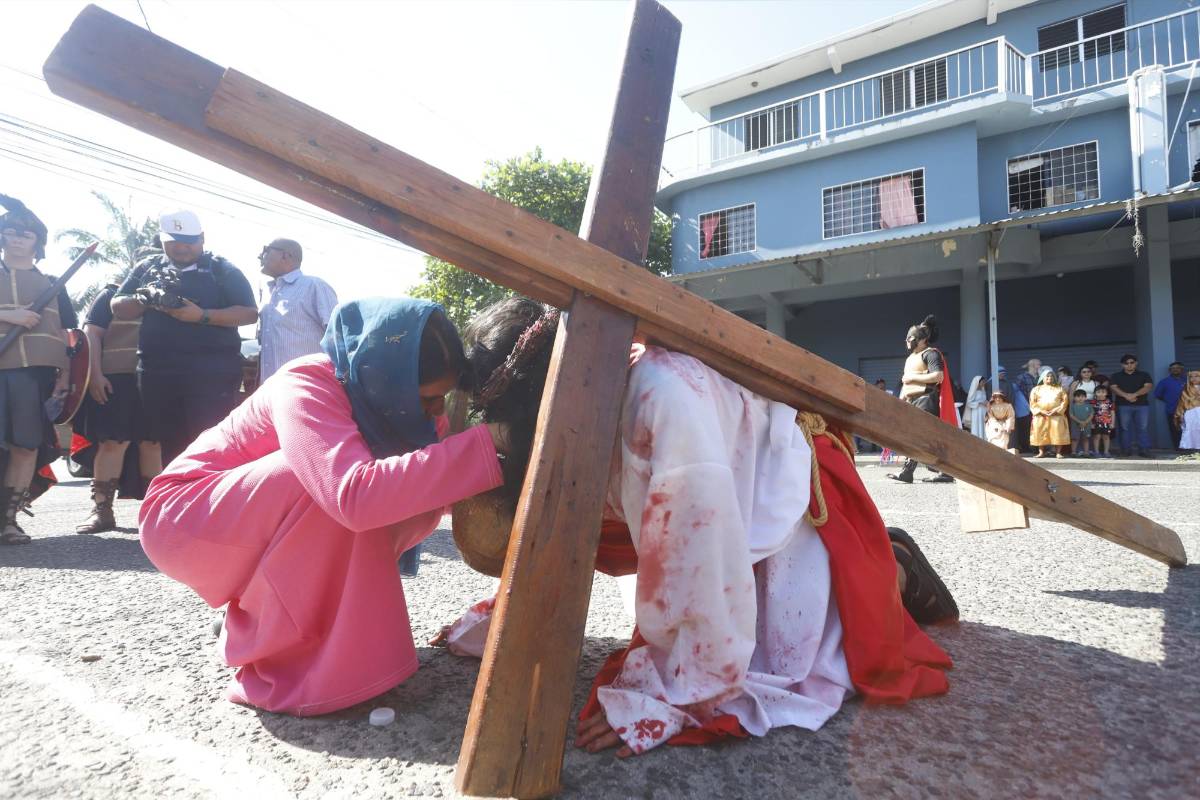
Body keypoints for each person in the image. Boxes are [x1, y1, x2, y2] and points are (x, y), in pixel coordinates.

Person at [443, 297, 954, 757]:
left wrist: (668, 694)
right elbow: (562, 523)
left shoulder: (661, 397)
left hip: (775, 488)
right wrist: (515, 620)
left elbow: (696, 558)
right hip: (718, 495)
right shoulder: (593, 387)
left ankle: (895, 570)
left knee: (795, 653)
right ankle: (873, 567)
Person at [138, 298, 509, 715]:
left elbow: (425, 489)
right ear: (386, 379)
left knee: (407, 486)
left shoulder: (407, 411)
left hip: (247, 522)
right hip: (184, 521)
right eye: (427, 399)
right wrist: (488, 442)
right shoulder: (305, 382)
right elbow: (351, 497)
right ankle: (288, 668)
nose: (436, 412)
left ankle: (269, 627)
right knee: (331, 484)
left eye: (442, 399)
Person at [112, 211, 258, 464]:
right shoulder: (147, 268)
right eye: (174, 242)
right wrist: (142, 298)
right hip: (157, 371)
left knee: (211, 443)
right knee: (169, 445)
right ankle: (179, 500)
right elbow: (117, 306)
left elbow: (249, 313)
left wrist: (201, 315)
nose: (181, 248)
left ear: (202, 238)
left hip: (211, 373)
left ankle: (211, 501)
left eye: (189, 241)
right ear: (162, 240)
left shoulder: (222, 269)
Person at [0, 194, 77, 544]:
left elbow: (68, 334)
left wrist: (65, 375)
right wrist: (7, 315)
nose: (17, 238)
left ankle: (8, 520)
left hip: (35, 376)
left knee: (26, 446)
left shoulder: (53, 285)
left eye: (25, 234)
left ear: (38, 242)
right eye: (10, 230)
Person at [74, 280, 163, 533]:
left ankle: (155, 515)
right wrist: (95, 375)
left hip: (156, 378)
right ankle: (102, 511)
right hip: (115, 379)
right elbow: (92, 334)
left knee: (152, 442)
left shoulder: (171, 295)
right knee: (113, 442)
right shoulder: (111, 295)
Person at [887, 315, 957, 484]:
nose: (908, 341)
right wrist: (901, 399)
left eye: (911, 338)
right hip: (912, 400)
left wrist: (913, 378)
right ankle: (943, 470)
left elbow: (938, 376)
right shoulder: (911, 358)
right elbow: (906, 382)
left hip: (926, 399)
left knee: (917, 436)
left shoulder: (931, 354)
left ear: (922, 339)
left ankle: (909, 472)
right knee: (923, 438)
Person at [256, 238, 338, 381]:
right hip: (270, 390)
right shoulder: (269, 292)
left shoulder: (313, 286)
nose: (260, 256)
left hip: (306, 387)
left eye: (266, 250)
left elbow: (338, 337)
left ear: (285, 255)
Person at [1108, 354, 1154, 457]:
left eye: (1131, 362)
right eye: (1126, 363)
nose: (1129, 365)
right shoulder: (1116, 376)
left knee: (1143, 428)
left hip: (1142, 405)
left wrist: (1134, 395)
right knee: (1124, 428)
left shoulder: (1144, 374)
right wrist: (1126, 396)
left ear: (1136, 363)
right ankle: (1125, 450)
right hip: (1123, 405)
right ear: (1122, 365)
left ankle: (1144, 450)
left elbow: (1148, 386)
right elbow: (1113, 387)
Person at [1029, 370, 1069, 458]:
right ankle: (1041, 452)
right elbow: (1032, 403)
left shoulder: (1059, 388)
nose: (1049, 378)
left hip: (1056, 415)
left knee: (1058, 432)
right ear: (1042, 378)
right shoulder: (1036, 389)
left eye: (1051, 376)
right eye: (1047, 376)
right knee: (1040, 432)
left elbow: (1065, 401)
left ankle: (1058, 452)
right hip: (1041, 415)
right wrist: (1041, 411)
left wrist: (1056, 410)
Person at [1153, 362, 1187, 451]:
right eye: (1173, 368)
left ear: (1182, 369)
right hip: (1172, 410)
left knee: (1189, 429)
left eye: (1178, 368)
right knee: (1175, 431)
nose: (1175, 369)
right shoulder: (1164, 382)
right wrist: (1169, 400)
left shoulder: (1187, 380)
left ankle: (1190, 448)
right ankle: (1179, 449)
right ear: (1169, 370)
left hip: (1188, 411)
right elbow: (1157, 394)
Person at [1175, 369, 1200, 453]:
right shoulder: (1185, 389)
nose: (1193, 378)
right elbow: (1181, 402)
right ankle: (1191, 449)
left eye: (1196, 376)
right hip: (1190, 412)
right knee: (1191, 429)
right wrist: (1181, 414)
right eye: (1191, 377)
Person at [1091, 384, 1116, 458]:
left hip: (1107, 423)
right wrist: (1091, 423)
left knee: (1106, 437)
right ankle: (1096, 452)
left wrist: (1112, 423)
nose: (1101, 394)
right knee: (1096, 437)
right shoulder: (1093, 402)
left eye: (1103, 392)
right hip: (1096, 422)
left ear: (1106, 393)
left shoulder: (1110, 403)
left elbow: (1112, 413)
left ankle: (1106, 452)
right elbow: (1090, 413)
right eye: (1098, 392)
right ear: (1095, 393)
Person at [1068, 389, 1094, 457]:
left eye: (1082, 396)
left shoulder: (1089, 405)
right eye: (1078, 396)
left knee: (1086, 439)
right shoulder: (1072, 406)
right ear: (1074, 397)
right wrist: (1080, 422)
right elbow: (1071, 415)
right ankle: (1073, 452)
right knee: (1075, 439)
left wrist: (1085, 422)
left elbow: (1091, 415)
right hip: (1075, 425)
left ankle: (1086, 452)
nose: (1080, 398)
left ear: (1086, 397)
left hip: (1087, 425)